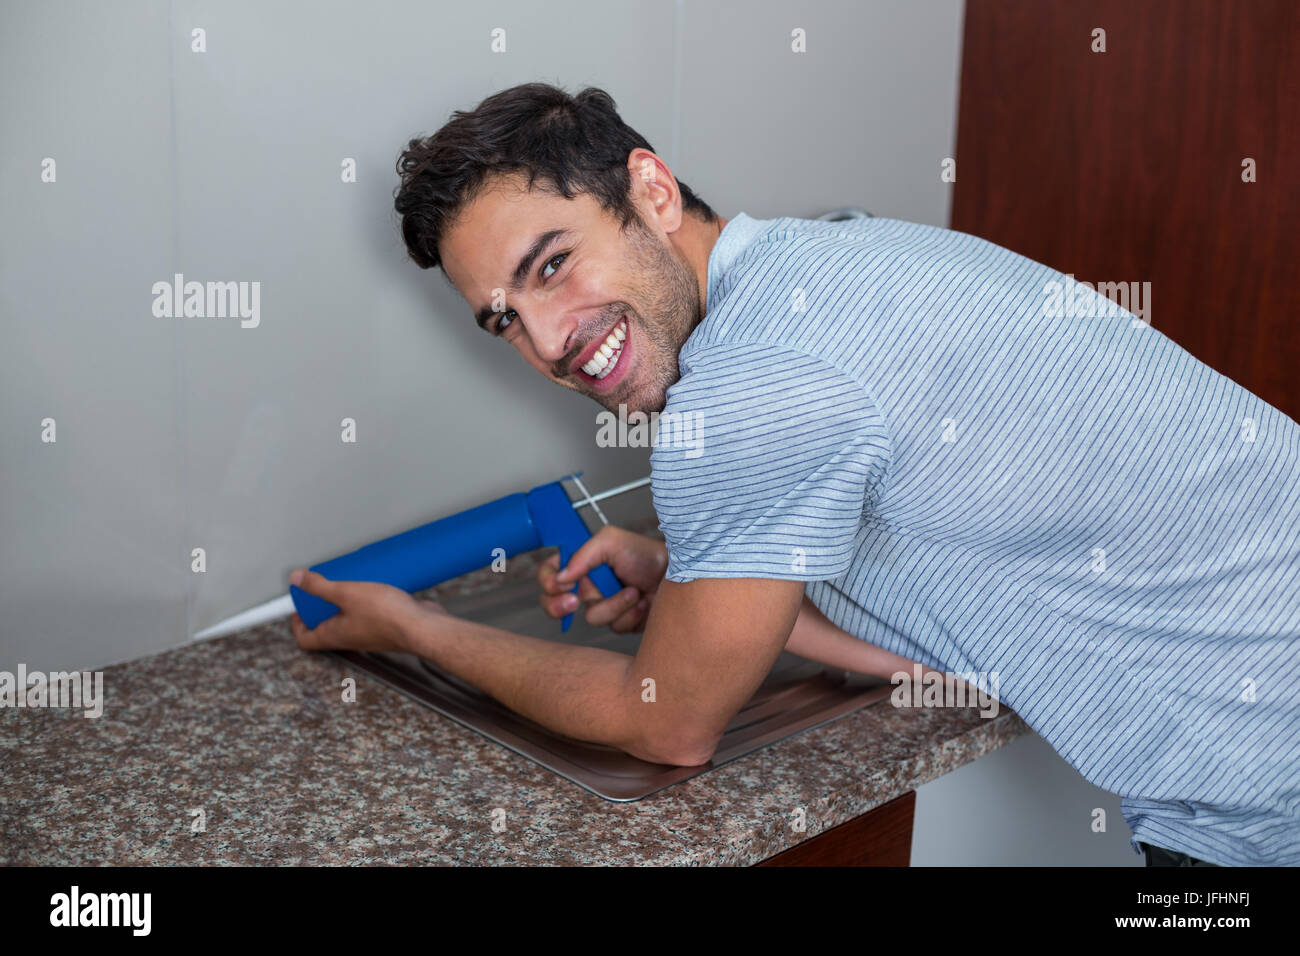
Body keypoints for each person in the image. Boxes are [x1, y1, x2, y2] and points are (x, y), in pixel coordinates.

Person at [289, 82, 1300, 867]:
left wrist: (414, 634)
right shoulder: (832, 256)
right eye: (503, 316)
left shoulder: (745, 389)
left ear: (650, 188)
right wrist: (683, 579)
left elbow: (667, 722)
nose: (546, 340)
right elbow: (966, 621)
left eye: (551, 263)